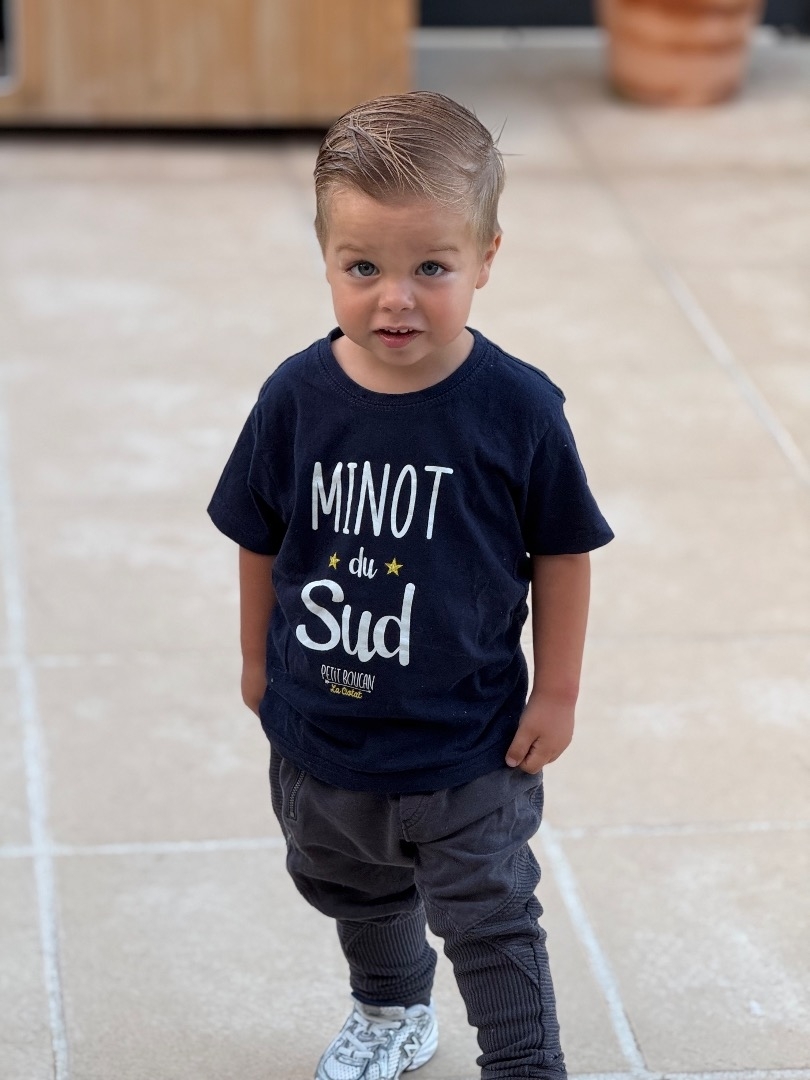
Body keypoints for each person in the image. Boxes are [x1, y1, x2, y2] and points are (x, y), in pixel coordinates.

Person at [208, 91, 613, 1080]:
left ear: (486, 257)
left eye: (431, 267)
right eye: (364, 268)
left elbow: (563, 552)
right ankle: (392, 1011)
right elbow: (259, 536)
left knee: (491, 918)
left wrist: (557, 692)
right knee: (354, 888)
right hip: (323, 735)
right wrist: (257, 660)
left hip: (467, 745)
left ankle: (525, 1063)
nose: (396, 298)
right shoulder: (295, 399)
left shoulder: (517, 410)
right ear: (326, 260)